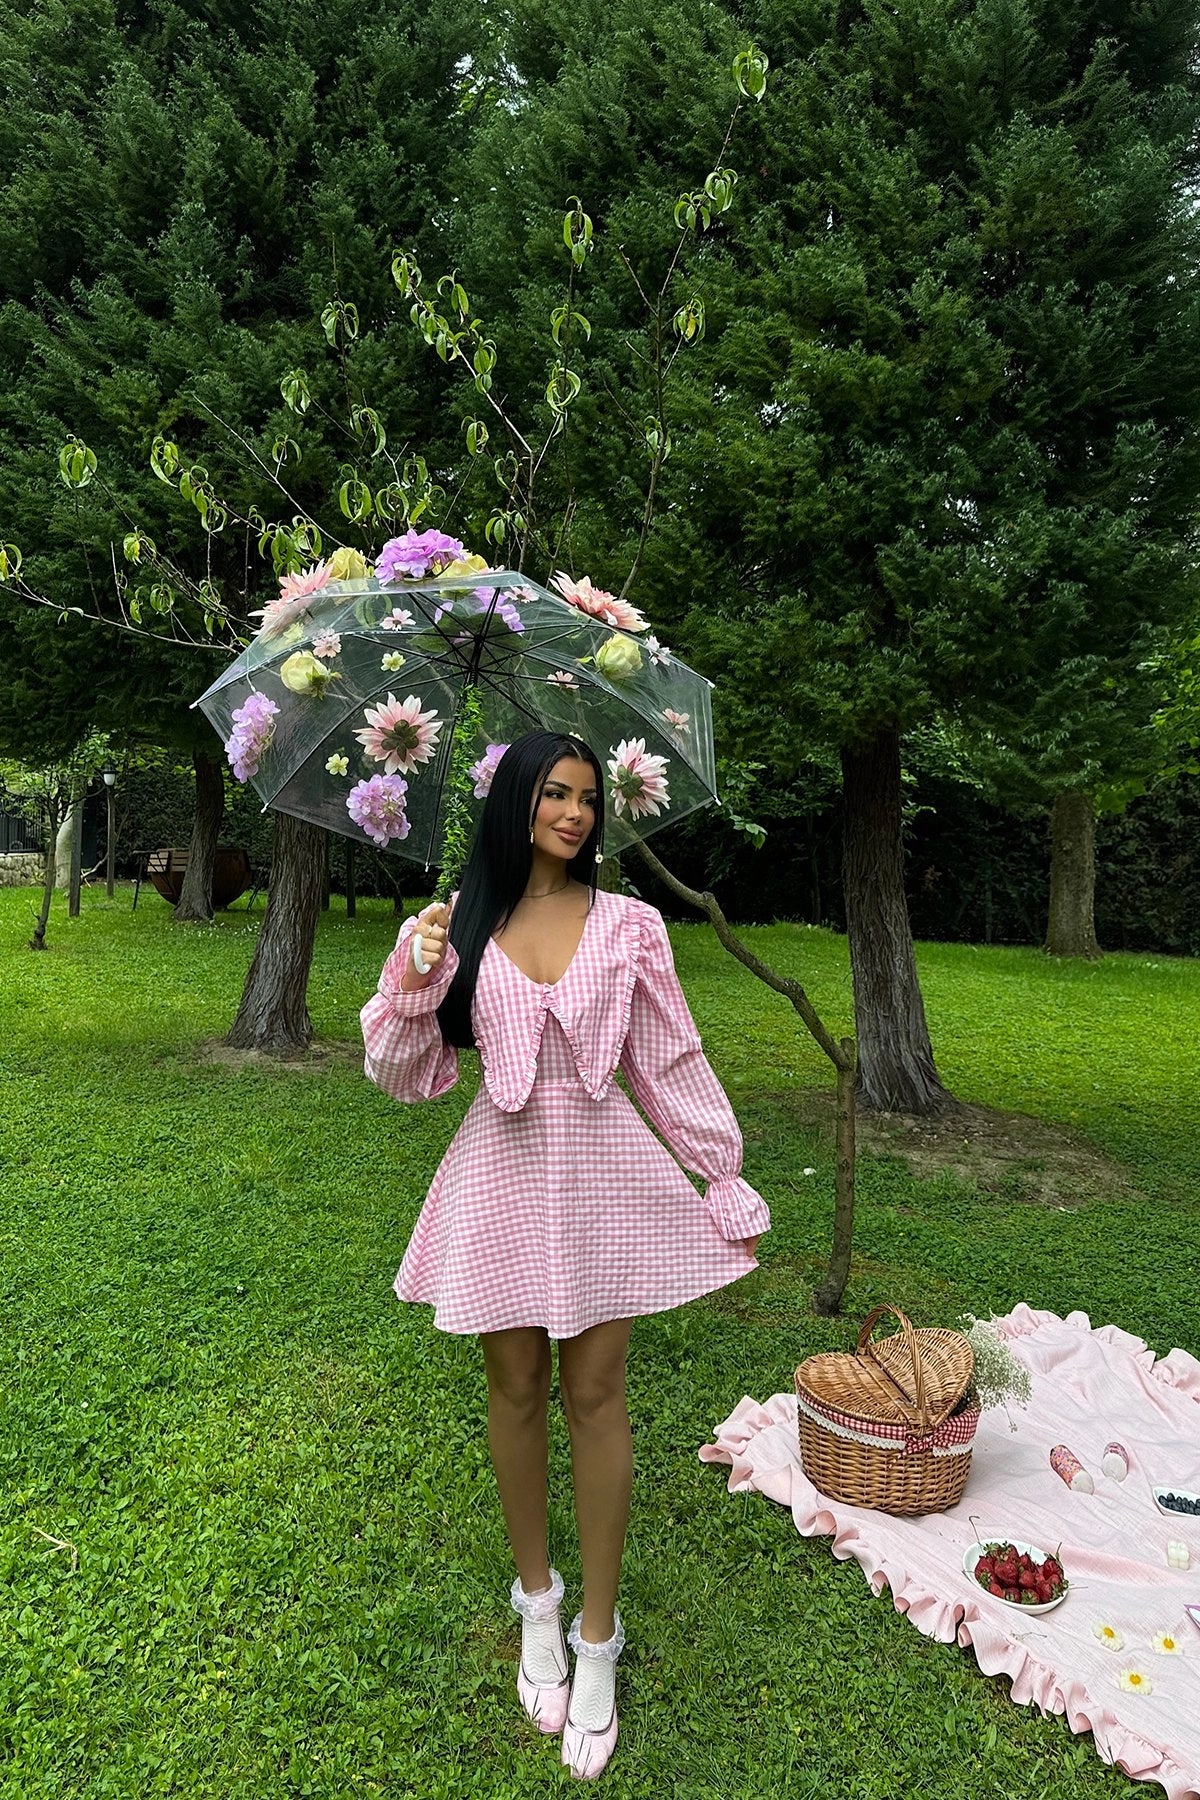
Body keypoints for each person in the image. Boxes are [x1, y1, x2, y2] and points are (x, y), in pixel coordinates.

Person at [360, 730, 769, 1780]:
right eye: (555, 793)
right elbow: (406, 1074)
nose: (577, 814)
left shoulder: (629, 925)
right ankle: (533, 1600)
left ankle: (598, 1635)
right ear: (516, 803)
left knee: (598, 1392)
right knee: (513, 1386)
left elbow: (668, 1054)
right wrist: (413, 976)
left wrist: (718, 1171)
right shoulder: (461, 928)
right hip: (499, 1172)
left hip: (602, 1178)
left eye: (589, 797)